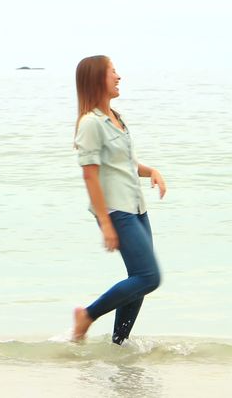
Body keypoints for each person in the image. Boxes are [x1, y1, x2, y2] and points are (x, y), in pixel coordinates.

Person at [71, 55, 167, 343]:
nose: (118, 76)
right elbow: (90, 176)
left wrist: (151, 171)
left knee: (138, 278)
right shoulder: (91, 124)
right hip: (116, 210)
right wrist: (106, 223)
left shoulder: (117, 118)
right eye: (113, 71)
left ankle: (118, 344)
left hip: (136, 207)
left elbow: (125, 164)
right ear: (98, 79)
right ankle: (87, 315)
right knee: (150, 277)